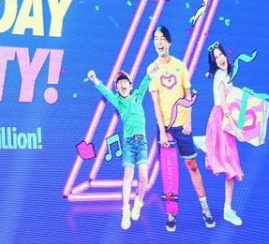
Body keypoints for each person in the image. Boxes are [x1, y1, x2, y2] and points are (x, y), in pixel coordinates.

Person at [149, 25, 214, 232]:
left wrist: (188, 122)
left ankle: (205, 208)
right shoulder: (152, 70)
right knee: (169, 172)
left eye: (162, 38)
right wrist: (162, 131)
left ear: (168, 42)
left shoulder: (180, 66)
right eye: (156, 38)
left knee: (192, 166)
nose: (159, 42)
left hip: (183, 126)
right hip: (166, 128)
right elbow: (156, 103)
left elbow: (187, 95)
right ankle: (171, 214)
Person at [88, 64, 158, 230]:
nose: (122, 84)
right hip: (128, 143)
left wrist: (151, 72)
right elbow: (106, 92)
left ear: (130, 85)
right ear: (117, 88)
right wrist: (95, 80)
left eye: (124, 81)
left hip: (141, 142)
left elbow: (145, 81)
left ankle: (138, 202)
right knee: (128, 174)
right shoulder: (118, 102)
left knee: (144, 176)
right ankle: (125, 209)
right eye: (119, 83)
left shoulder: (137, 96)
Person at [204, 42, 245, 226]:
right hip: (221, 120)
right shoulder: (220, 76)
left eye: (221, 55)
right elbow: (224, 105)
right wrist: (235, 129)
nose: (220, 59)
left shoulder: (226, 75)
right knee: (230, 166)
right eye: (216, 57)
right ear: (214, 62)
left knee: (231, 167)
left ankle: (208, 144)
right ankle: (227, 210)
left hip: (223, 120)